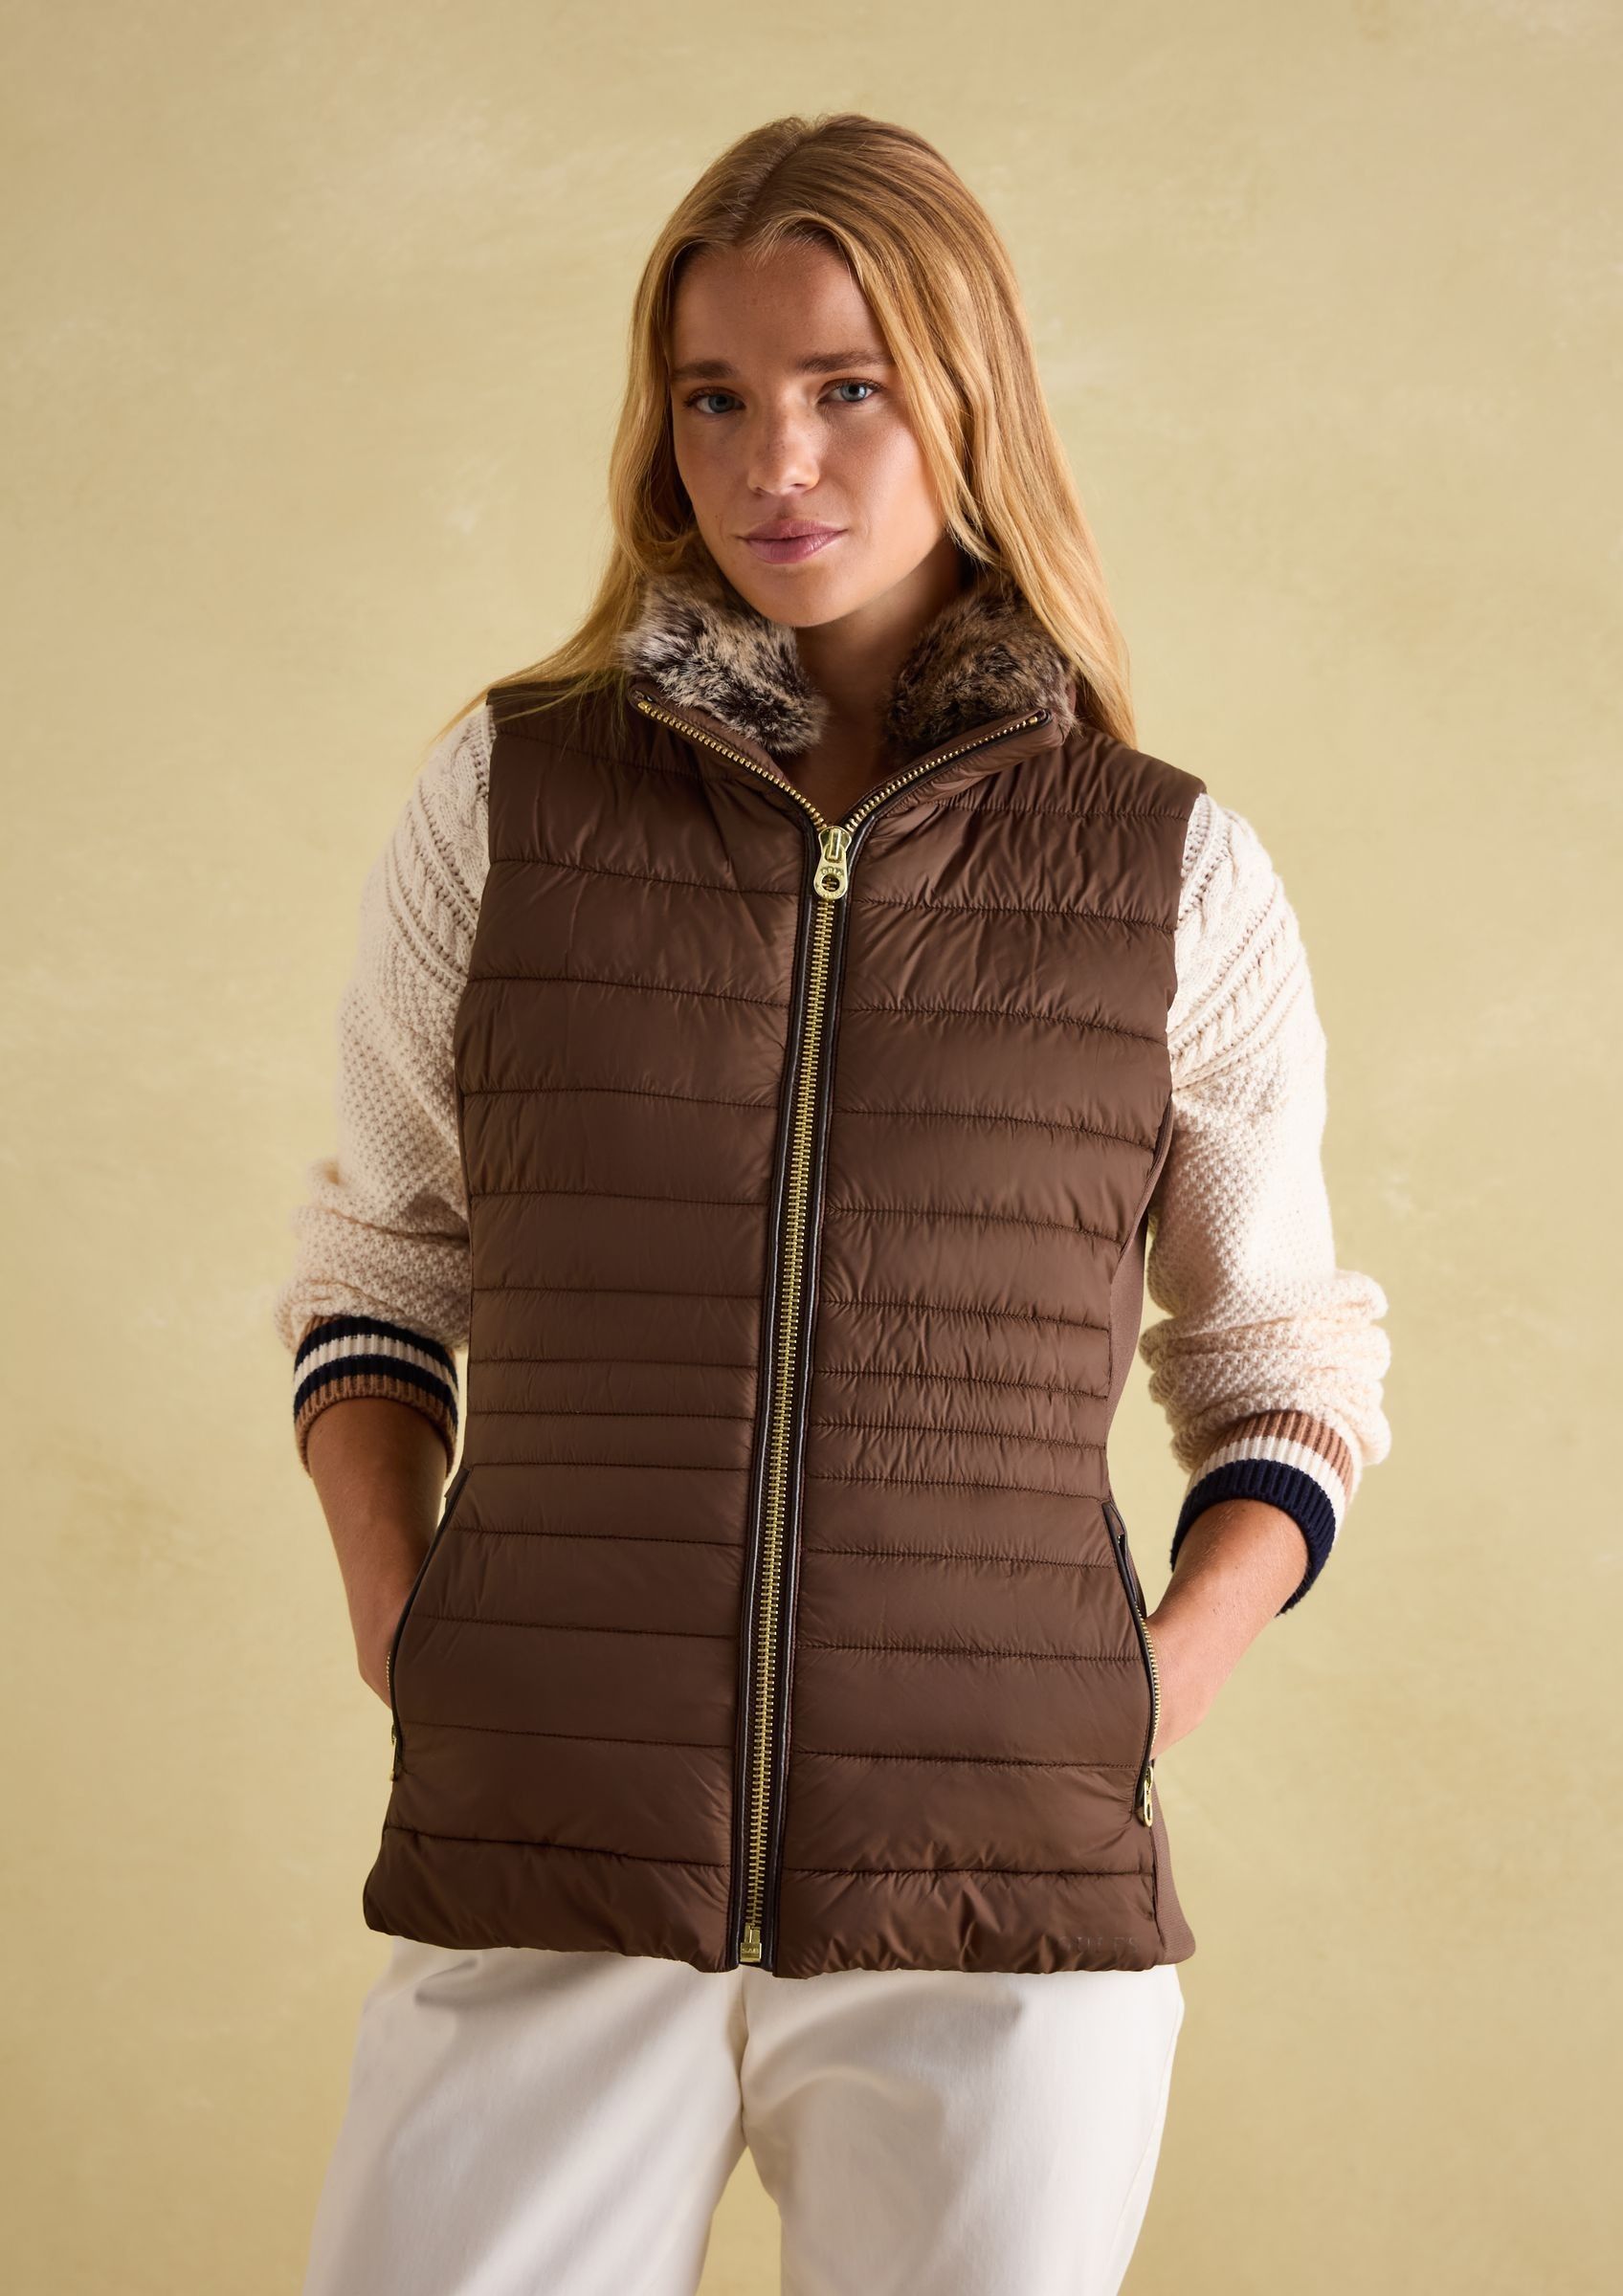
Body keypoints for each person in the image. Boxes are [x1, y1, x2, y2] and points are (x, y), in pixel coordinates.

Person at [276, 110, 1390, 2296]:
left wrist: (1151, 1685)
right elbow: (383, 1258)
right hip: (552, 1850)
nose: (772, 460)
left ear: (966, 399)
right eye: (714, 398)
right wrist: (398, 1615)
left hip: (997, 1912)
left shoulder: (1167, 871)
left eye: (844, 388)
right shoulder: (510, 799)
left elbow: (1284, 1363)